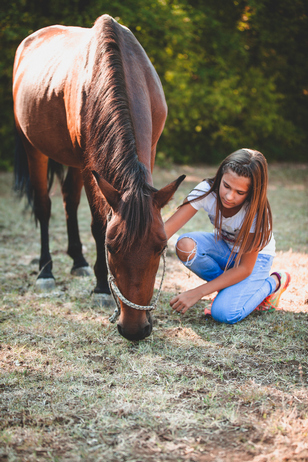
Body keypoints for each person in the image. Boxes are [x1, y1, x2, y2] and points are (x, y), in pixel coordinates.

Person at [164, 148, 290, 324]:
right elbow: (165, 232)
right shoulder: (207, 191)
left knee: (224, 314)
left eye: (240, 192)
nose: (229, 196)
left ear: (253, 191)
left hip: (254, 261)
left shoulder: (256, 213)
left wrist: (198, 292)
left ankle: (273, 283)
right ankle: (229, 291)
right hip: (226, 250)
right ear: (220, 176)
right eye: (226, 186)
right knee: (185, 246)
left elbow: (245, 268)